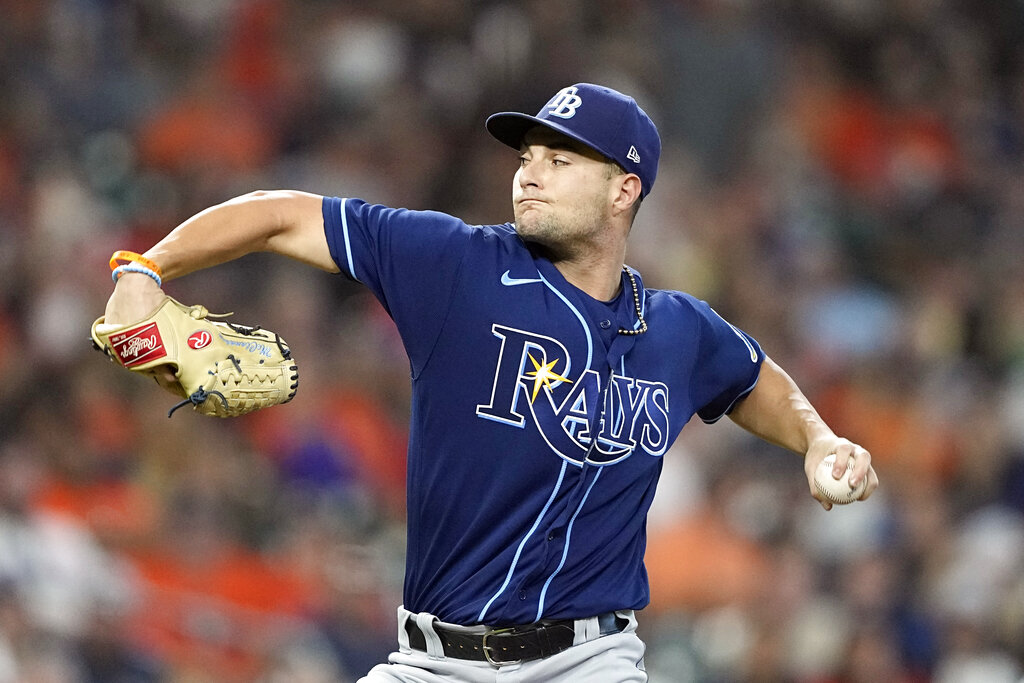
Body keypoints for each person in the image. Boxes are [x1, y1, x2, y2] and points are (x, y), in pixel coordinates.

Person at [101, 83, 878, 682]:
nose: (529, 175)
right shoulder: (455, 264)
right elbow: (280, 213)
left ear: (624, 190)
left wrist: (817, 438)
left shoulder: (678, 329)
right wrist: (146, 267)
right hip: (434, 658)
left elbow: (753, 379)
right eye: (526, 157)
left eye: (560, 160)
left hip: (588, 659)